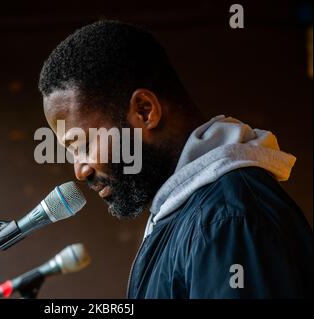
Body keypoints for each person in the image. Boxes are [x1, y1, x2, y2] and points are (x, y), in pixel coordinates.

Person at [38, 20, 313, 298]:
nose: (80, 170)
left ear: (145, 111)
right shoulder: (198, 213)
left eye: (83, 144)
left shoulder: (226, 219)